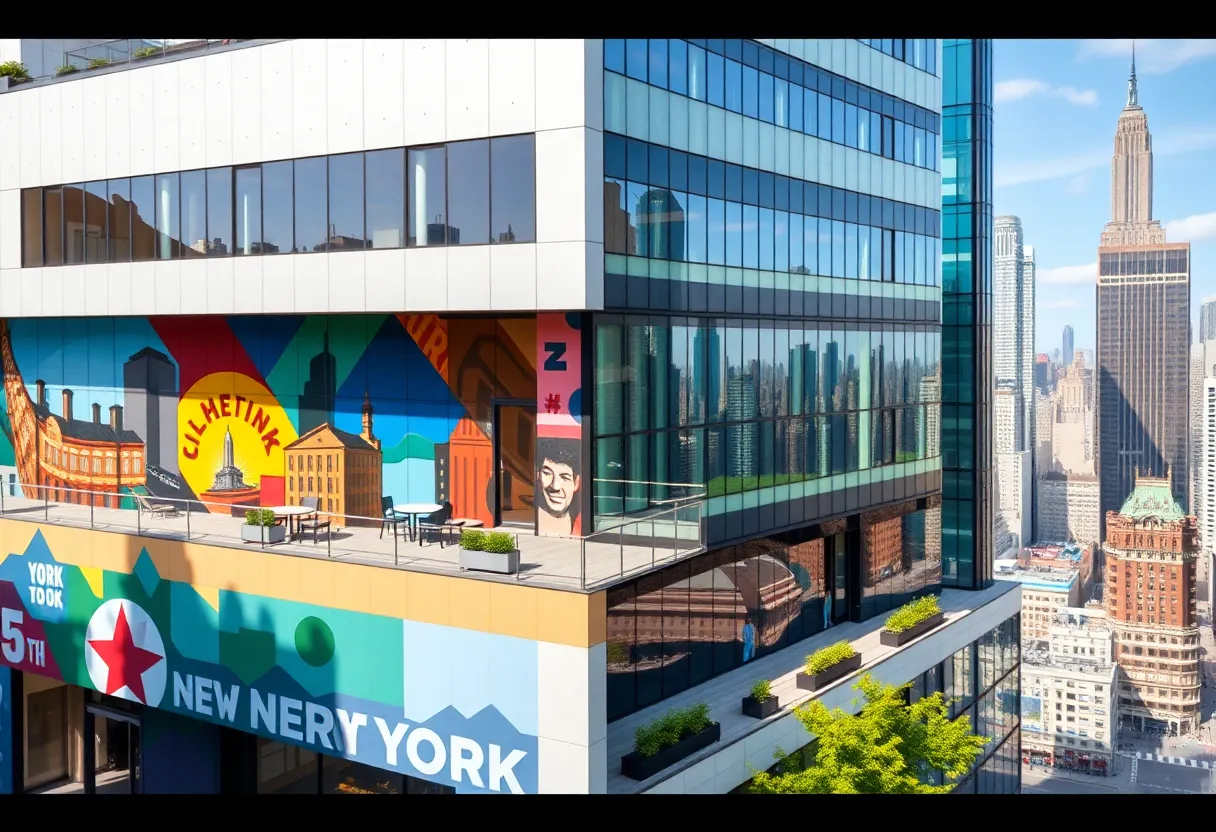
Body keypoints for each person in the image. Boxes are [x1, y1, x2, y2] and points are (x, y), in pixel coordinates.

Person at [535, 438, 582, 536]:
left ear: (576, 483)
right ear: (538, 475)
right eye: (547, 473)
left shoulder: (580, 524)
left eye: (565, 477)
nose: (555, 486)